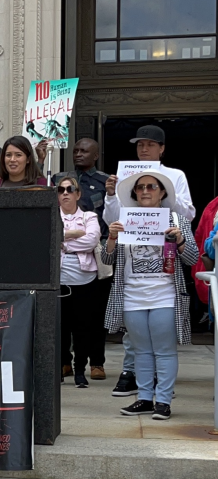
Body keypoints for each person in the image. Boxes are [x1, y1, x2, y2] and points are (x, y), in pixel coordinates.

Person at [103, 125, 196, 397]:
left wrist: (169, 223)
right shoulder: (124, 182)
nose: (144, 148)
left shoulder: (175, 177)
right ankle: (140, 389)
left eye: (150, 144)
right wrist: (111, 196)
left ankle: (163, 395)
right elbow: (112, 228)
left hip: (163, 287)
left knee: (163, 347)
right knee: (138, 344)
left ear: (162, 148)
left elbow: (187, 221)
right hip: (132, 290)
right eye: (139, 144)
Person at [57, 177, 104, 387]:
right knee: (60, 329)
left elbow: (92, 239)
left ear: (78, 194)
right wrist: (75, 234)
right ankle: (60, 366)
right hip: (57, 282)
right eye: (61, 189)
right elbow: (47, 237)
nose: (65, 193)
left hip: (85, 281)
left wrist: (64, 243)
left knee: (82, 329)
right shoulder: (51, 216)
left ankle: (80, 371)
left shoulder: (89, 216)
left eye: (70, 189)